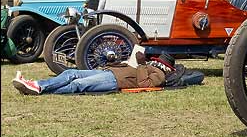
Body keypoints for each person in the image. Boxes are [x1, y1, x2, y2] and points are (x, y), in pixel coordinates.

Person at [11, 47, 175, 96]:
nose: (154, 61)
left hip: (115, 81)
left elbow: (144, 83)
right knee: (71, 73)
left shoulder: (159, 75)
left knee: (77, 84)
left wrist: (141, 64)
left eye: (157, 60)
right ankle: (37, 85)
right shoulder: (150, 67)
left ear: (163, 65)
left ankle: (39, 89)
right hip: (109, 73)